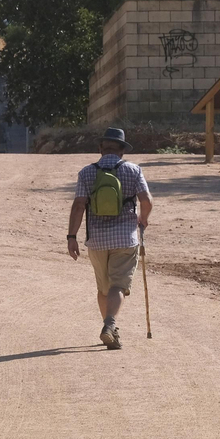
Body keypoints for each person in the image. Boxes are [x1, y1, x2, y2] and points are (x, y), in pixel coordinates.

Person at [66, 127, 153, 349]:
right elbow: (146, 200)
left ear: (100, 149)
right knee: (118, 285)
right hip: (125, 239)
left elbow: (78, 206)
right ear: (122, 150)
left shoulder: (86, 172)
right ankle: (110, 324)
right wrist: (143, 219)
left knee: (104, 289)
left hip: (96, 241)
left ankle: (110, 329)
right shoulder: (133, 170)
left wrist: (72, 236)